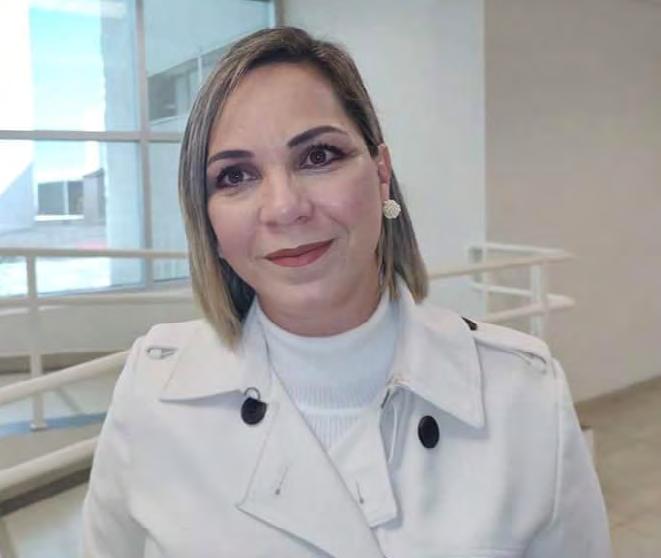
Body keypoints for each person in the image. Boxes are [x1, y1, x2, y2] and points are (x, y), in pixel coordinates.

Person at [81, 26, 612, 557]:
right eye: (236, 175)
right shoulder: (151, 393)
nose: (284, 207)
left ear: (381, 175)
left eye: (318, 157)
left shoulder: (524, 394)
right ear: (209, 223)